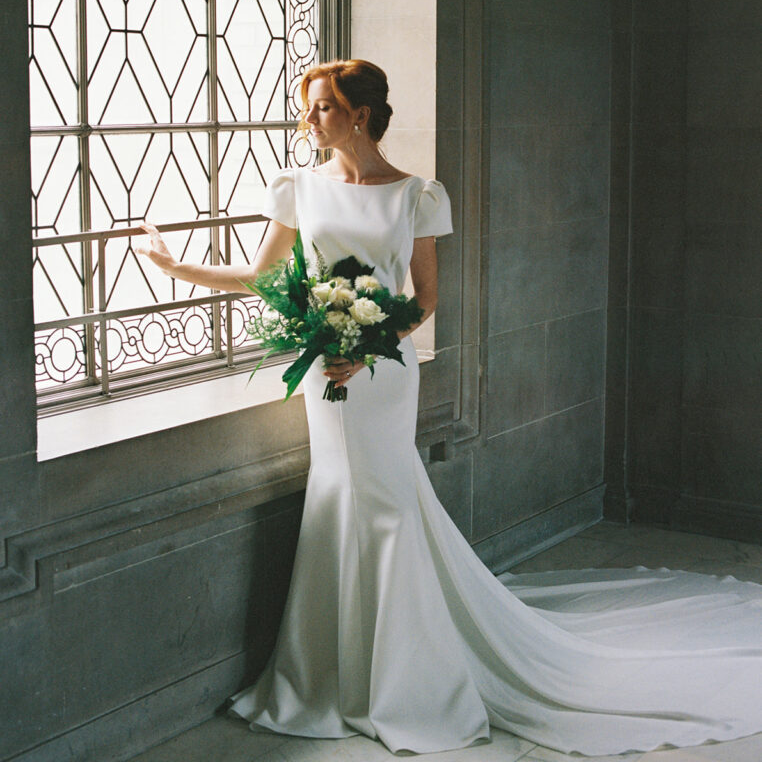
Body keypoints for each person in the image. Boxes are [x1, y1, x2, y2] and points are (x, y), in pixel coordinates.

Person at [140, 59, 762, 757]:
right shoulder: (297, 189)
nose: (306, 120)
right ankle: (334, 676)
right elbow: (260, 276)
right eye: (307, 108)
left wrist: (368, 341)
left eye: (319, 108)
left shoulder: (417, 195)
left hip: (383, 373)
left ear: (360, 115)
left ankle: (406, 681)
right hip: (324, 370)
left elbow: (424, 301)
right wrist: (175, 267)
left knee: (386, 504)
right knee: (337, 501)